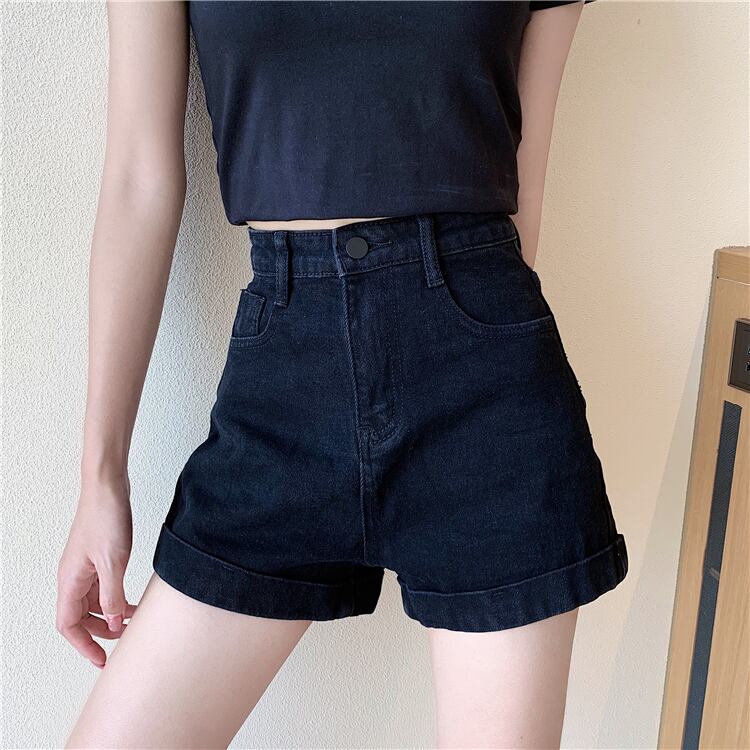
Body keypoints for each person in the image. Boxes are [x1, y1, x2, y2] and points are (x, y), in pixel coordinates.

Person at [58, 1, 628, 747]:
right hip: (281, 384)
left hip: (485, 382)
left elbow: (524, 178)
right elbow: (139, 179)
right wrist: (101, 479)